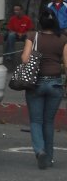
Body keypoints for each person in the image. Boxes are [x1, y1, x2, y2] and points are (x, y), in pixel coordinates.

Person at [20, 9, 67, 169]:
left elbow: (25, 59)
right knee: (48, 122)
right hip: (55, 84)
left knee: (36, 121)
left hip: (36, 84)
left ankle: (40, 151)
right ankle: (50, 157)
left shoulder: (33, 36)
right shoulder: (62, 39)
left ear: (40, 21)